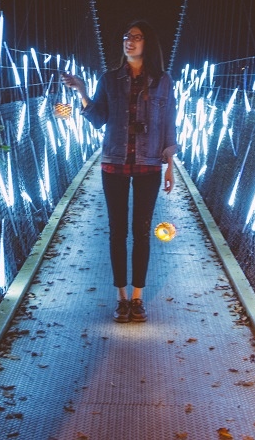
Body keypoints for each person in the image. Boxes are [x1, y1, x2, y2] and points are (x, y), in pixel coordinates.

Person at [62, 21, 177, 323]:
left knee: (141, 232)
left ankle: (137, 299)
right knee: (117, 232)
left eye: (137, 38)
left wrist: (170, 168)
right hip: (113, 162)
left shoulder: (162, 81)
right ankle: (121, 298)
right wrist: (83, 92)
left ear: (147, 43)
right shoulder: (109, 79)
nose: (130, 42)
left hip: (149, 163)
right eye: (126, 37)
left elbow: (169, 124)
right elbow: (99, 118)